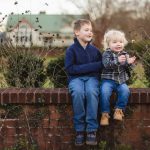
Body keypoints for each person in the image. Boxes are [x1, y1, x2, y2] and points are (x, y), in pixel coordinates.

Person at [65, 19, 103, 146]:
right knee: (78, 92)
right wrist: (92, 66)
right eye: (86, 30)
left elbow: (102, 66)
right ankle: (80, 130)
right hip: (75, 80)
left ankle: (92, 129)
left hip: (92, 79)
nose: (90, 32)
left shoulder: (95, 51)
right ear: (77, 32)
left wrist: (92, 68)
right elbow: (70, 69)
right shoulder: (71, 50)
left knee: (92, 92)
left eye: (91, 30)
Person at [100, 29, 136, 126]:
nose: (118, 44)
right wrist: (117, 61)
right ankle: (105, 114)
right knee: (104, 92)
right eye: (114, 42)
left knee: (125, 91)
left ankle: (119, 110)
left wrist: (129, 63)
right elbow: (106, 65)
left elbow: (129, 68)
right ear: (108, 44)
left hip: (120, 81)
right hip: (108, 81)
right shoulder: (106, 54)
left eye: (121, 42)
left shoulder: (125, 54)